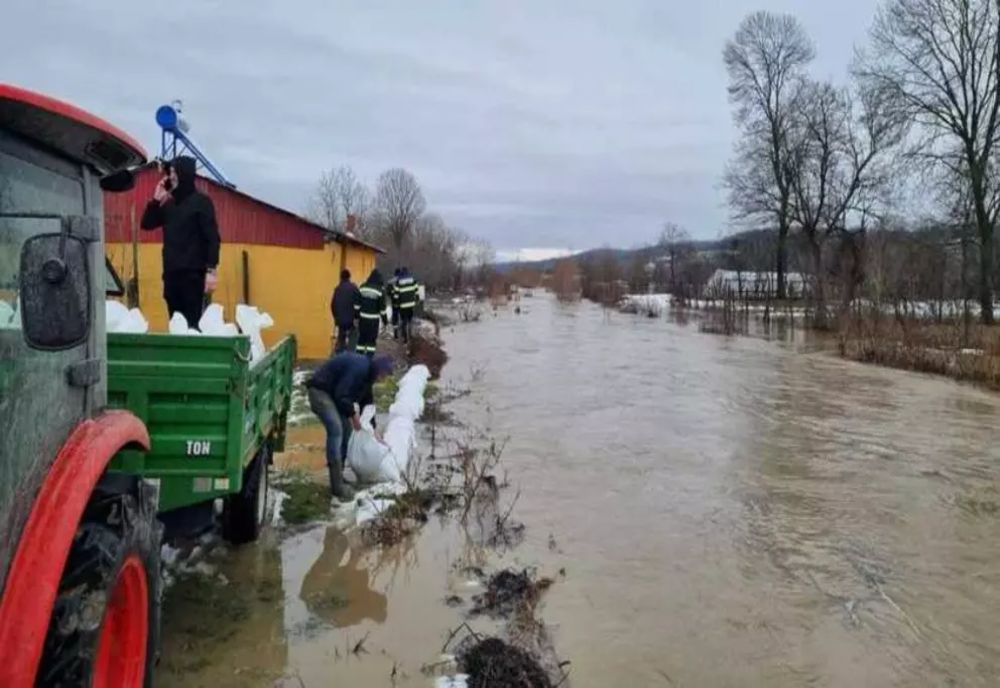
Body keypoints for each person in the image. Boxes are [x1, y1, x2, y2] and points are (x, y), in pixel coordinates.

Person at [140, 156, 221, 329]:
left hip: (193, 277)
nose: (171, 176)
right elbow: (146, 224)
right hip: (171, 276)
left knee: (192, 326)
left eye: (174, 172)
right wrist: (156, 199)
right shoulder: (169, 205)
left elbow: (212, 238)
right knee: (175, 324)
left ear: (185, 174)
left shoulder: (201, 202)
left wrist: (211, 270)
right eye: (170, 172)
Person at [306, 352, 394, 500]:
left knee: (347, 431)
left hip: (333, 394)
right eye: (384, 375)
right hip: (320, 392)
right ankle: (337, 486)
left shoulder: (368, 376)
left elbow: (367, 404)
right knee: (336, 430)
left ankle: (339, 476)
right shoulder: (360, 369)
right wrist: (353, 415)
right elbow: (342, 394)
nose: (383, 379)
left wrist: (374, 431)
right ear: (379, 369)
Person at [354, 269, 389, 357]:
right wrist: (385, 321)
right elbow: (382, 309)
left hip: (362, 319)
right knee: (371, 340)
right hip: (373, 321)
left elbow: (357, 304)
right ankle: (368, 358)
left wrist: (356, 316)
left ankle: (358, 358)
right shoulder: (380, 291)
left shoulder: (362, 287)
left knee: (361, 339)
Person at [331, 269, 360, 353]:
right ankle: (351, 354)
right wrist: (356, 316)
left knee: (341, 337)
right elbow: (358, 303)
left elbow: (333, 305)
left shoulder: (337, 289)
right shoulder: (354, 288)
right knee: (353, 337)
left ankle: (340, 354)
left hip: (340, 320)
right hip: (351, 320)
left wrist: (336, 317)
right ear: (349, 277)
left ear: (341, 277)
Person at [394, 267, 421, 344]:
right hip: (411, 304)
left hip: (403, 305)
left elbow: (396, 295)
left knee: (404, 321)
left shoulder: (398, 282)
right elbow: (416, 291)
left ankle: (405, 338)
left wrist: (396, 303)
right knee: (410, 319)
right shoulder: (413, 280)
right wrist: (417, 299)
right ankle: (410, 334)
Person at [388, 268, 402, 340]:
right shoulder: (403, 281)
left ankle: (395, 334)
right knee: (402, 317)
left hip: (394, 303)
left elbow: (388, 292)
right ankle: (402, 334)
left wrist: (392, 295)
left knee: (395, 317)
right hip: (402, 302)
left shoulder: (391, 281)